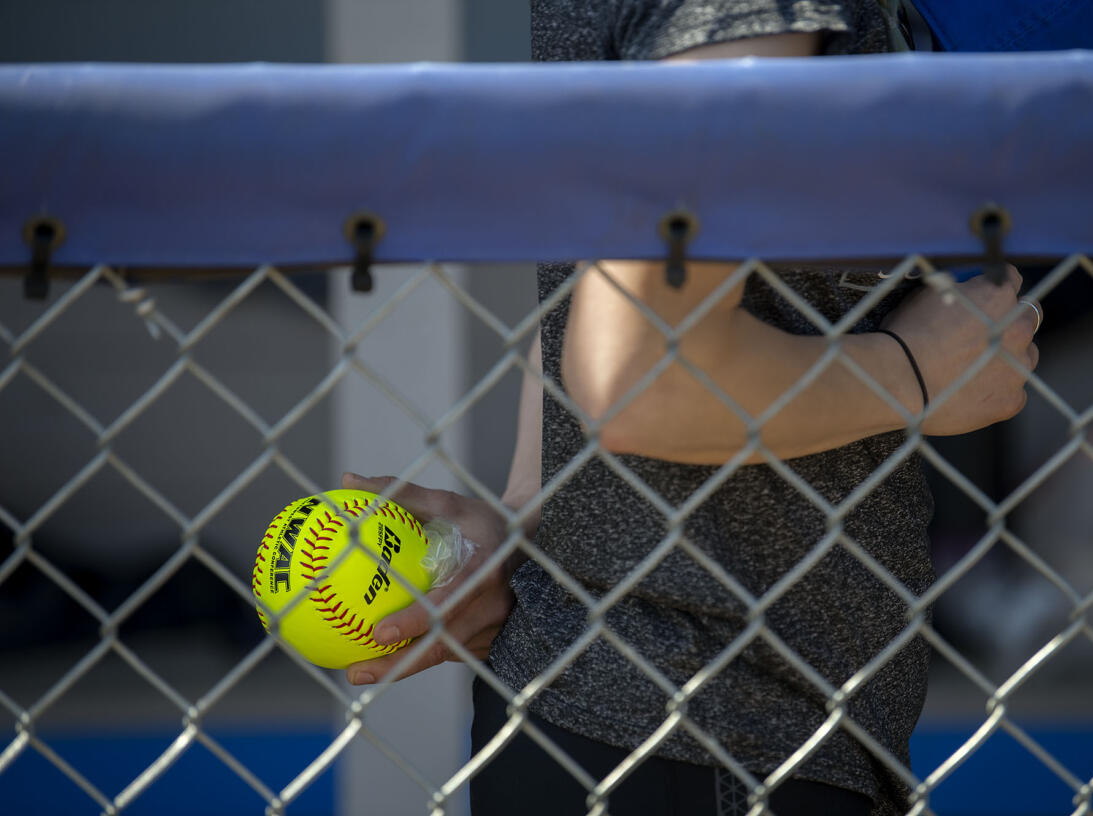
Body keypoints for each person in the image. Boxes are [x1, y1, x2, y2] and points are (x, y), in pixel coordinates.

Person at [343, 2, 1040, 814]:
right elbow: (642, 371)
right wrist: (915, 373)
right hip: (709, 733)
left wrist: (532, 515)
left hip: (671, 720)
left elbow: (604, 276)